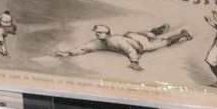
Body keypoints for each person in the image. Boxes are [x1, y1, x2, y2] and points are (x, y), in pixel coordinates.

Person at [55, 23, 191, 71]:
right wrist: (68, 53)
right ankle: (158, 30)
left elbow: (130, 50)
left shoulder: (116, 41)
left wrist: (134, 62)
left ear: (105, 33)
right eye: (97, 33)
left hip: (140, 44)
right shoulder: (99, 42)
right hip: (131, 35)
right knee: (148, 34)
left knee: (164, 43)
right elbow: (85, 48)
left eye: (99, 33)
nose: (96, 34)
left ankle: (183, 34)